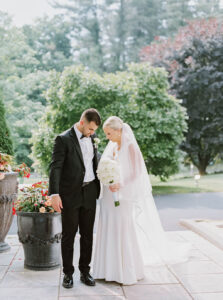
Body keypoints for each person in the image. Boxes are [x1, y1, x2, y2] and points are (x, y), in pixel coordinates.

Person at [93, 116, 190, 285]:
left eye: (109, 133)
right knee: (108, 224)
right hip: (109, 195)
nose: (107, 137)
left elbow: (137, 173)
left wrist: (120, 184)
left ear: (118, 130)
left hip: (123, 195)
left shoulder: (130, 146)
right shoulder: (113, 146)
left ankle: (125, 271)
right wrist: (108, 179)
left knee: (122, 227)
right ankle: (106, 270)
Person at [49, 108, 101, 289]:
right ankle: (68, 274)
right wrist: (54, 194)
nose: (93, 133)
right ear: (82, 122)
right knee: (69, 236)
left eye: (94, 131)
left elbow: (93, 163)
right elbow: (55, 168)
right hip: (70, 194)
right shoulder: (62, 139)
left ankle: (85, 271)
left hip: (90, 192)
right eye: (90, 129)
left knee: (87, 235)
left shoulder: (93, 139)